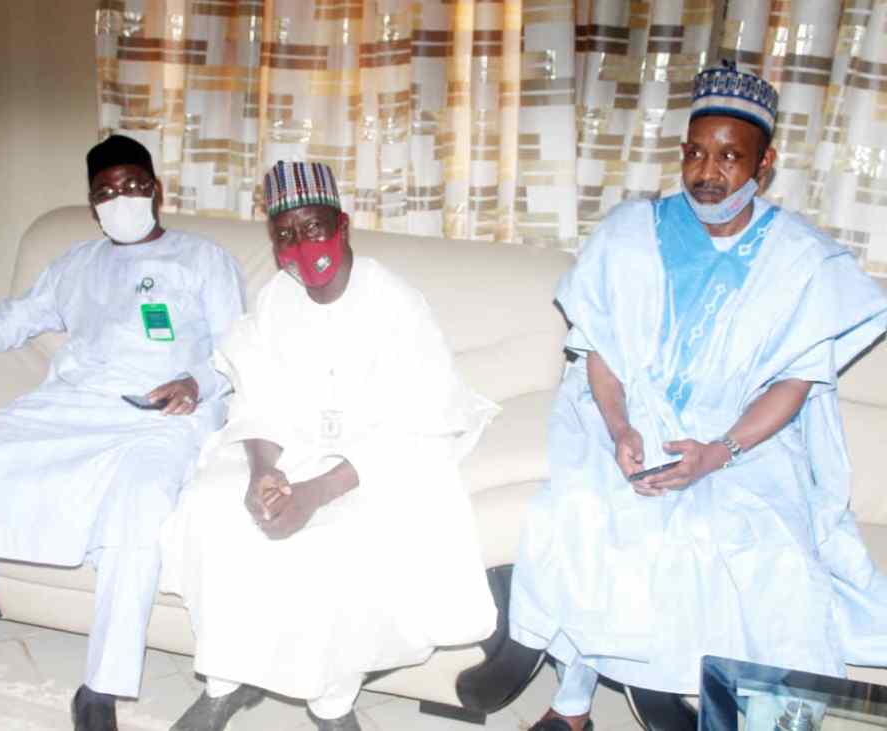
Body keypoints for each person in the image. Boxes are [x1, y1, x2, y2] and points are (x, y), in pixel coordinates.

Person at [508, 61, 887, 731]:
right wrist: (620, 427)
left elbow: (795, 383)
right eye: (694, 153)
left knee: (761, 551)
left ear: (764, 163)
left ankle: (742, 715)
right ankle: (572, 706)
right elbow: (600, 351)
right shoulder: (630, 232)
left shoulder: (799, 258)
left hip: (744, 436)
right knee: (589, 513)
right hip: (631, 416)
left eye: (729, 157)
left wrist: (717, 452)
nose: (707, 172)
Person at [0, 135, 244, 731]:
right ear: (93, 205)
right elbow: (10, 322)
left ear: (156, 190)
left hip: (160, 415)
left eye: (133, 185)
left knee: (139, 505)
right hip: (69, 406)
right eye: (106, 191)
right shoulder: (75, 265)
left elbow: (237, 348)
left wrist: (197, 382)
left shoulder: (202, 259)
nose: (121, 198)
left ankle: (100, 691)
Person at [158, 161, 499, 731]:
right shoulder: (276, 299)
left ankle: (332, 705)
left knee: (336, 546)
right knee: (213, 508)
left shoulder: (395, 301)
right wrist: (262, 472)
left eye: (313, 227)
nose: (301, 246)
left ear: (343, 225)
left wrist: (314, 494)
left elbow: (417, 422)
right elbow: (257, 400)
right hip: (292, 448)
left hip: (380, 462)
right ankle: (224, 684)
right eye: (284, 234)